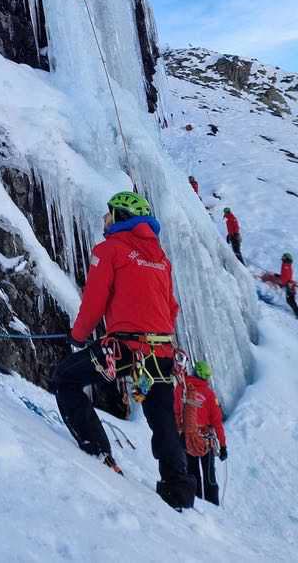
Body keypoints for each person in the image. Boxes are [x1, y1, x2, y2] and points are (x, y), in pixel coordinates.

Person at [52, 191, 196, 511]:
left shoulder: (110, 249)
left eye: (109, 214)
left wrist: (78, 336)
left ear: (120, 217)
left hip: (125, 347)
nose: (105, 220)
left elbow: (94, 300)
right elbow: (171, 307)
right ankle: (179, 490)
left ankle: (99, 452)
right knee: (161, 417)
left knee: (65, 379)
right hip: (160, 351)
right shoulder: (160, 258)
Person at [175, 360, 227, 506]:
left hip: (186, 438)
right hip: (205, 441)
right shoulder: (209, 394)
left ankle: (195, 505)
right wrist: (223, 446)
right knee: (209, 477)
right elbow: (217, 422)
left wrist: (178, 434)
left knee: (192, 474)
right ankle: (214, 508)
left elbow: (176, 413)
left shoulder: (181, 388)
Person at [262, 254, 298, 319]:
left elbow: (285, 277)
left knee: (290, 300)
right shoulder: (287, 265)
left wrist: (280, 280)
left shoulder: (285, 266)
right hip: (289, 284)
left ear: (286, 259)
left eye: (284, 257)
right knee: (290, 300)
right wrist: (279, 276)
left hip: (288, 285)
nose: (282, 259)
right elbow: (285, 275)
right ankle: (297, 313)